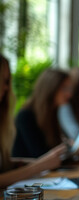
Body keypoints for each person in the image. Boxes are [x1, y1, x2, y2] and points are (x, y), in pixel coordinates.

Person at [0, 55, 66, 188]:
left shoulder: (53, 114)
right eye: (4, 80)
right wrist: (40, 164)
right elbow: (39, 153)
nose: (7, 88)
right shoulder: (25, 116)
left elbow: (4, 164)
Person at [12, 69, 72, 158]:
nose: (69, 94)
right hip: (31, 170)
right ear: (50, 88)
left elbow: (55, 147)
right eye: (64, 88)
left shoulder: (52, 113)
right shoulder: (25, 116)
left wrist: (72, 149)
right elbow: (39, 155)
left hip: (47, 170)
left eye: (69, 89)